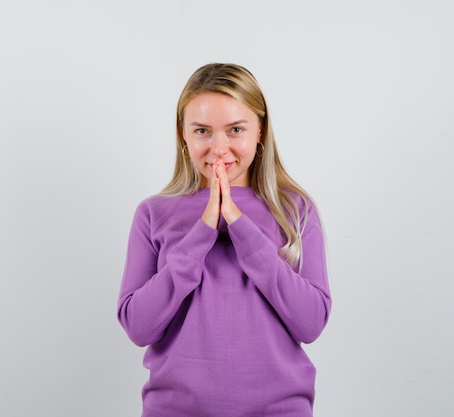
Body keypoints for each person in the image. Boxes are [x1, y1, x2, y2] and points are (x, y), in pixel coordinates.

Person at [117, 63, 332, 417]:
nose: (219, 148)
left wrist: (239, 224)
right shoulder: (153, 213)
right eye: (203, 131)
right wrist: (201, 231)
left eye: (235, 130)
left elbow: (310, 324)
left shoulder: (296, 210)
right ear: (183, 135)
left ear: (260, 131)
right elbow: (139, 327)